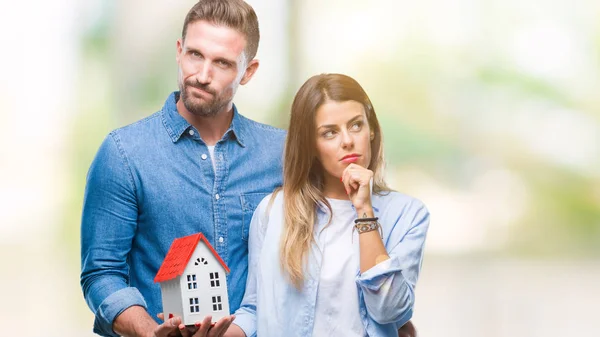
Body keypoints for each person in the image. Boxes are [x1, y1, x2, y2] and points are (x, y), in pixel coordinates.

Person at [80, 1, 285, 336]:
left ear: (249, 71)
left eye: (222, 63)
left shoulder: (281, 155)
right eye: (195, 55)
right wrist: (149, 332)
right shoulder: (123, 153)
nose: (202, 75)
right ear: (179, 50)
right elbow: (101, 274)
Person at [226, 73, 430, 336]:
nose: (347, 140)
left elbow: (390, 311)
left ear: (372, 131)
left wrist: (364, 211)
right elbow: (254, 309)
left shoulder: (408, 214)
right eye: (330, 132)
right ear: (310, 145)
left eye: (356, 125)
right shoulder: (273, 211)